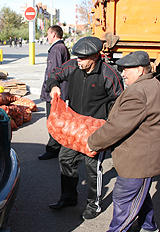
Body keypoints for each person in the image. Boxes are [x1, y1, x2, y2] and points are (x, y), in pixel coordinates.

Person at [46, 36, 124, 220]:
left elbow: (119, 101)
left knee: (92, 167)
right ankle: (68, 197)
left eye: (82, 58)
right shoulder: (72, 65)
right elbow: (54, 74)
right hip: (73, 126)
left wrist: (108, 126)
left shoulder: (109, 74)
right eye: (77, 57)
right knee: (65, 159)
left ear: (95, 57)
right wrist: (54, 86)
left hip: (95, 128)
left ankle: (93, 204)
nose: (78, 60)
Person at [87, 51, 160, 232]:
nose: (123, 73)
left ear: (141, 70)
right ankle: (149, 225)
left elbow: (117, 127)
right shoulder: (153, 84)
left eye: (127, 69)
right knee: (139, 195)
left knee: (123, 199)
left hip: (138, 159)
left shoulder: (138, 92)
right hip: (142, 154)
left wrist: (93, 143)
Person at [38, 25, 70, 160]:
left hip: (54, 92)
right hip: (57, 91)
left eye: (48, 34)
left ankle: (53, 148)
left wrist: (50, 88)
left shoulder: (56, 49)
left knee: (53, 120)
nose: (47, 37)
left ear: (54, 35)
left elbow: (54, 73)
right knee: (57, 119)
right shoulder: (61, 48)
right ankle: (57, 146)